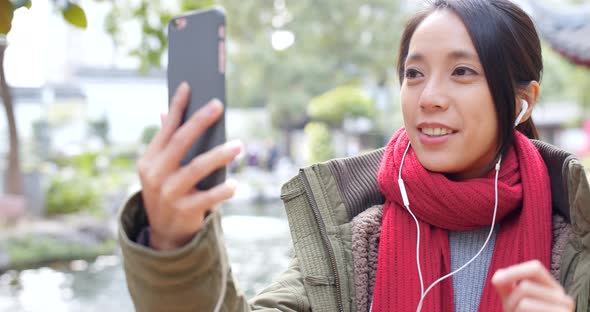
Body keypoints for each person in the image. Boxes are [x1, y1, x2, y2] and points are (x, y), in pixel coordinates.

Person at [118, 0, 590, 311]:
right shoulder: (350, 243)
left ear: (523, 101)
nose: (428, 97)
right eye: (414, 74)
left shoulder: (576, 245)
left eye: (462, 71)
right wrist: (172, 247)